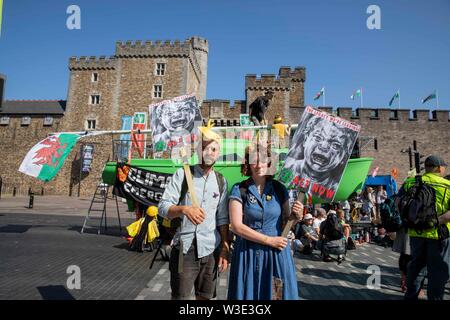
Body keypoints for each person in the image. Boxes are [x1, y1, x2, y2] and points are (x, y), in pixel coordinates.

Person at [158, 122, 230, 300]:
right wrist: (184, 209)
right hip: (185, 248)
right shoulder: (182, 175)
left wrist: (225, 248)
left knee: (205, 298)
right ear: (198, 150)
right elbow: (163, 207)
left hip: (211, 249)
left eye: (214, 149)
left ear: (218, 153)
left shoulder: (221, 181)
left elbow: (222, 219)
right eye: (205, 147)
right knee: (180, 298)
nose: (209, 152)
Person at [227, 145, 303, 300]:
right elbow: (236, 226)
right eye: (254, 160)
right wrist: (269, 240)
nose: (259, 164)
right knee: (249, 294)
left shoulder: (279, 189)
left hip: (275, 255)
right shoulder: (239, 189)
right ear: (248, 164)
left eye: (263, 160)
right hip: (247, 254)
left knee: (276, 295)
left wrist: (298, 215)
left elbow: (287, 223)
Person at [402, 155, 450, 300]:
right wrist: (435, 222)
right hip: (438, 235)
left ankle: (411, 296)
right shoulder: (447, 185)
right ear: (439, 168)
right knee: (437, 271)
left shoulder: (410, 182)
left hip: (416, 233)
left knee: (416, 267)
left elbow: (399, 203)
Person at [282, 112, 358, 195]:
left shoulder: (335, 190)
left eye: (335, 145)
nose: (324, 147)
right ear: (305, 139)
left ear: (343, 156)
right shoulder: (286, 169)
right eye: (318, 137)